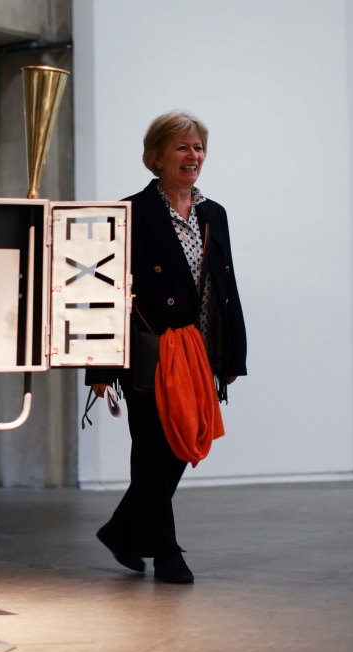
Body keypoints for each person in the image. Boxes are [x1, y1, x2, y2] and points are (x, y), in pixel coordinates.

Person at [86, 111, 247, 583]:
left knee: (178, 447)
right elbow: (103, 292)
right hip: (148, 352)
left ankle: (122, 530)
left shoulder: (213, 214)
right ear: (156, 157)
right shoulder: (130, 214)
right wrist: (99, 367)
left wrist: (231, 355)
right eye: (182, 147)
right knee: (154, 450)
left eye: (198, 147)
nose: (193, 155)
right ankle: (166, 553)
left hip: (196, 353)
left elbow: (226, 287)